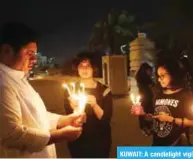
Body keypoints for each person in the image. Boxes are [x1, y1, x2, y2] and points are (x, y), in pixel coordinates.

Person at [0, 22, 83, 158]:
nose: (34, 60)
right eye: (29, 53)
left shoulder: (18, 78)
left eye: (35, 54)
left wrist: (62, 120)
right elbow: (12, 134)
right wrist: (58, 135)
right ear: (7, 50)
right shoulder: (3, 84)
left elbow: (33, 116)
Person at [131, 59, 193, 146]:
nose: (159, 79)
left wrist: (171, 119)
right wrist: (143, 114)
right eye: (158, 76)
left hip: (176, 144)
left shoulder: (185, 95)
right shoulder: (158, 95)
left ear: (174, 74)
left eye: (162, 76)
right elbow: (156, 118)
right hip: (158, 144)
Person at [64, 54, 113, 158]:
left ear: (94, 69)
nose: (84, 69)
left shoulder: (104, 90)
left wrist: (95, 105)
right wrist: (75, 108)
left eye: (88, 66)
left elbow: (106, 119)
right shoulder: (71, 91)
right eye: (81, 66)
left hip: (100, 138)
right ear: (77, 69)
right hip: (78, 138)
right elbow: (68, 117)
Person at [135, 63, 154, 135]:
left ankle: (146, 127)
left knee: (145, 111)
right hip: (146, 96)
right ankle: (146, 127)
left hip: (143, 96)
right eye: (149, 71)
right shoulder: (145, 78)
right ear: (145, 70)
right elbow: (152, 85)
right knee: (145, 111)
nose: (150, 73)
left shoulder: (139, 77)